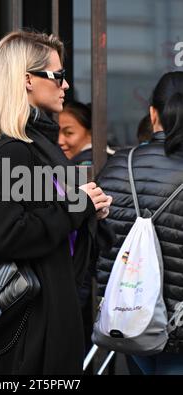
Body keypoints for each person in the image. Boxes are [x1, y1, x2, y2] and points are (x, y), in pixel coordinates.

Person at [0, 30, 113, 375]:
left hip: (45, 316)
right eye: (58, 76)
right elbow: (6, 236)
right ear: (27, 80)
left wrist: (89, 209)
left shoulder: (36, 146)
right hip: (28, 332)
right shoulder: (13, 150)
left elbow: (53, 221)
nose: (66, 86)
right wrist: (76, 208)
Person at [96, 71, 183, 375]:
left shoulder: (120, 163)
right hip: (178, 325)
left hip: (129, 318)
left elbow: (100, 236)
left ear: (152, 113)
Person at [58, 101, 115, 166]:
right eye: (56, 133)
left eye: (69, 133)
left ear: (91, 133)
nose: (60, 141)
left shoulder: (87, 164)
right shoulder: (108, 158)